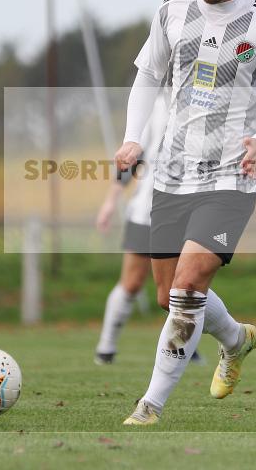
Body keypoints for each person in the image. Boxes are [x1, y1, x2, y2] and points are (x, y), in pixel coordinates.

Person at [115, 0, 256, 425]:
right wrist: (133, 136)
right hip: (172, 173)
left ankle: (150, 405)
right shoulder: (171, 11)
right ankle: (236, 338)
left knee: (188, 286)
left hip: (233, 175)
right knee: (168, 296)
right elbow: (148, 76)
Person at [93, 96, 204, 367]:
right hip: (149, 208)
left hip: (192, 205)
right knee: (132, 283)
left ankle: (183, 346)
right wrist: (110, 202)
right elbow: (132, 155)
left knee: (186, 283)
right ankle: (105, 348)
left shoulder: (208, 98)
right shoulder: (157, 102)